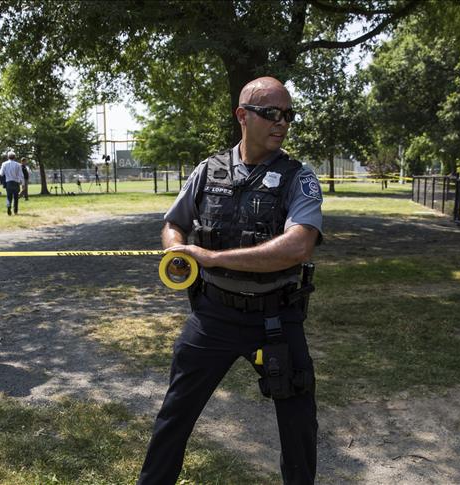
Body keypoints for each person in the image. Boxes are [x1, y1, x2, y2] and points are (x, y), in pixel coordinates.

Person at [138, 77, 323, 485]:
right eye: (271, 113)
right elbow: (174, 223)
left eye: (288, 115)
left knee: (299, 427)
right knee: (174, 417)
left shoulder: (298, 177)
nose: (282, 123)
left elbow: (298, 246)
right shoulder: (209, 170)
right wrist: (176, 251)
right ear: (243, 115)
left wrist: (212, 258)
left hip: (276, 319)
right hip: (213, 316)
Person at [0, 151, 24, 215]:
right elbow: (21, 175)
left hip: (8, 182)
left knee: (8, 197)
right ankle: (15, 211)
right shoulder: (18, 165)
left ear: (8, 157)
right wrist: (23, 184)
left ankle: (8, 207)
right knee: (16, 197)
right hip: (16, 183)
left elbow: (1, 173)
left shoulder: (4, 164)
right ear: (14, 157)